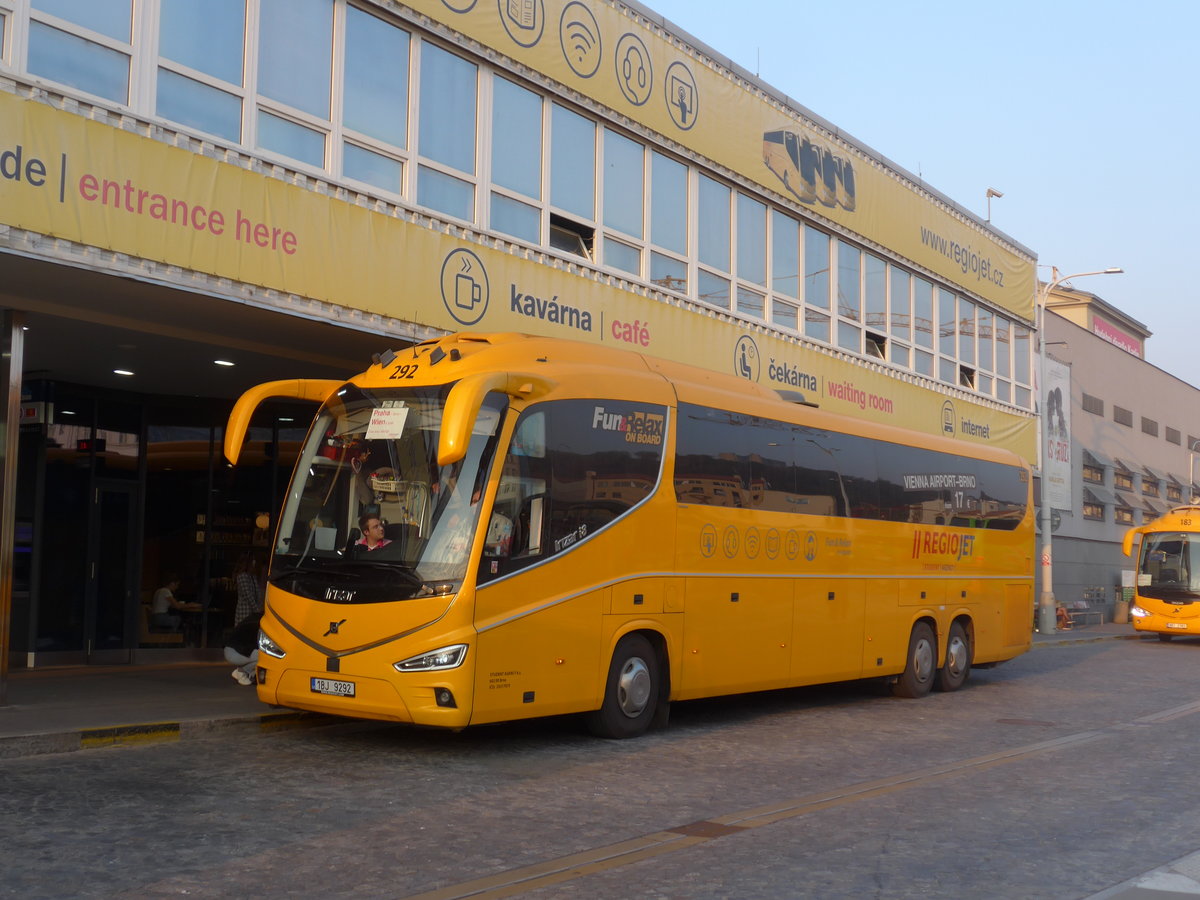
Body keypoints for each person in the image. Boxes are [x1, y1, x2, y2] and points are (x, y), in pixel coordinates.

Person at [224, 611, 262, 686]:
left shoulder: (255, 617)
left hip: (230, 650)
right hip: (235, 652)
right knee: (266, 656)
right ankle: (241, 672)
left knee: (262, 654)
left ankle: (242, 671)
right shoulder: (259, 622)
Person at [233, 553, 262, 624]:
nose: (254, 565)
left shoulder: (252, 577)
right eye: (253, 562)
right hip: (244, 613)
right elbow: (248, 595)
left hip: (252, 613)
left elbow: (258, 593)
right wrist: (257, 610)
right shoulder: (242, 577)